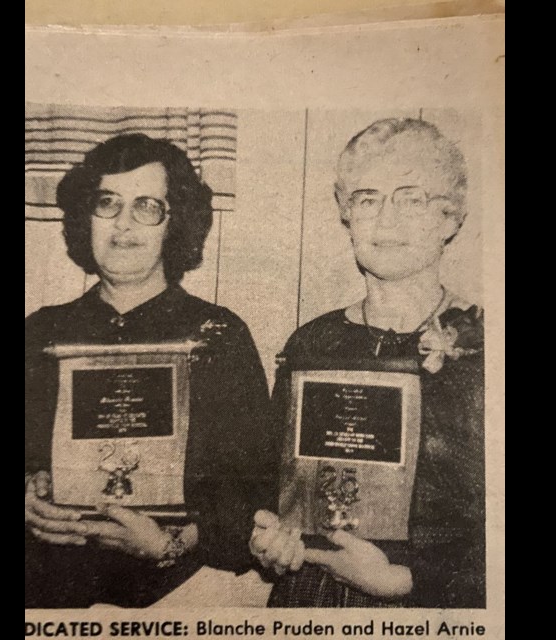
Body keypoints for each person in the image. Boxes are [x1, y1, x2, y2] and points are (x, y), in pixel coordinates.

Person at [25, 134, 277, 608]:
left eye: (147, 206)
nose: (123, 224)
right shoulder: (40, 333)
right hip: (51, 592)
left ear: (174, 222)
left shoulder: (219, 335)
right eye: (107, 203)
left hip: (180, 589)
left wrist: (170, 544)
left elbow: (256, 487)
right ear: (86, 216)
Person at [251, 119, 486, 608]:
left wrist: (402, 580)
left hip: (431, 607)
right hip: (307, 596)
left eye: (411, 199)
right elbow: (265, 484)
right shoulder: (311, 342)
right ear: (347, 215)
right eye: (367, 198)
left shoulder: (488, 346)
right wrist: (266, 536)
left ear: (450, 218)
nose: (386, 220)